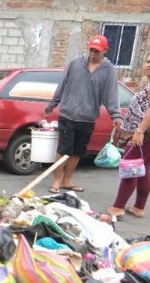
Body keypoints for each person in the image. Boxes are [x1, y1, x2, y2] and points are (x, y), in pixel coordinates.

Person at [44, 35, 122, 194]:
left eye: (97, 51)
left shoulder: (108, 70)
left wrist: (116, 115)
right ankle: (57, 180)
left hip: (87, 118)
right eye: (91, 50)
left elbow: (111, 95)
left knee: (78, 151)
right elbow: (62, 85)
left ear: (105, 51)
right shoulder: (75, 63)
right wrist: (52, 104)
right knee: (64, 149)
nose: (93, 54)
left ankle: (67, 181)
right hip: (67, 114)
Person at [109, 50, 150, 219]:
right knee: (142, 169)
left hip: (147, 134)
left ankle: (118, 207)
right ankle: (138, 207)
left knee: (131, 167)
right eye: (148, 61)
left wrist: (139, 131)